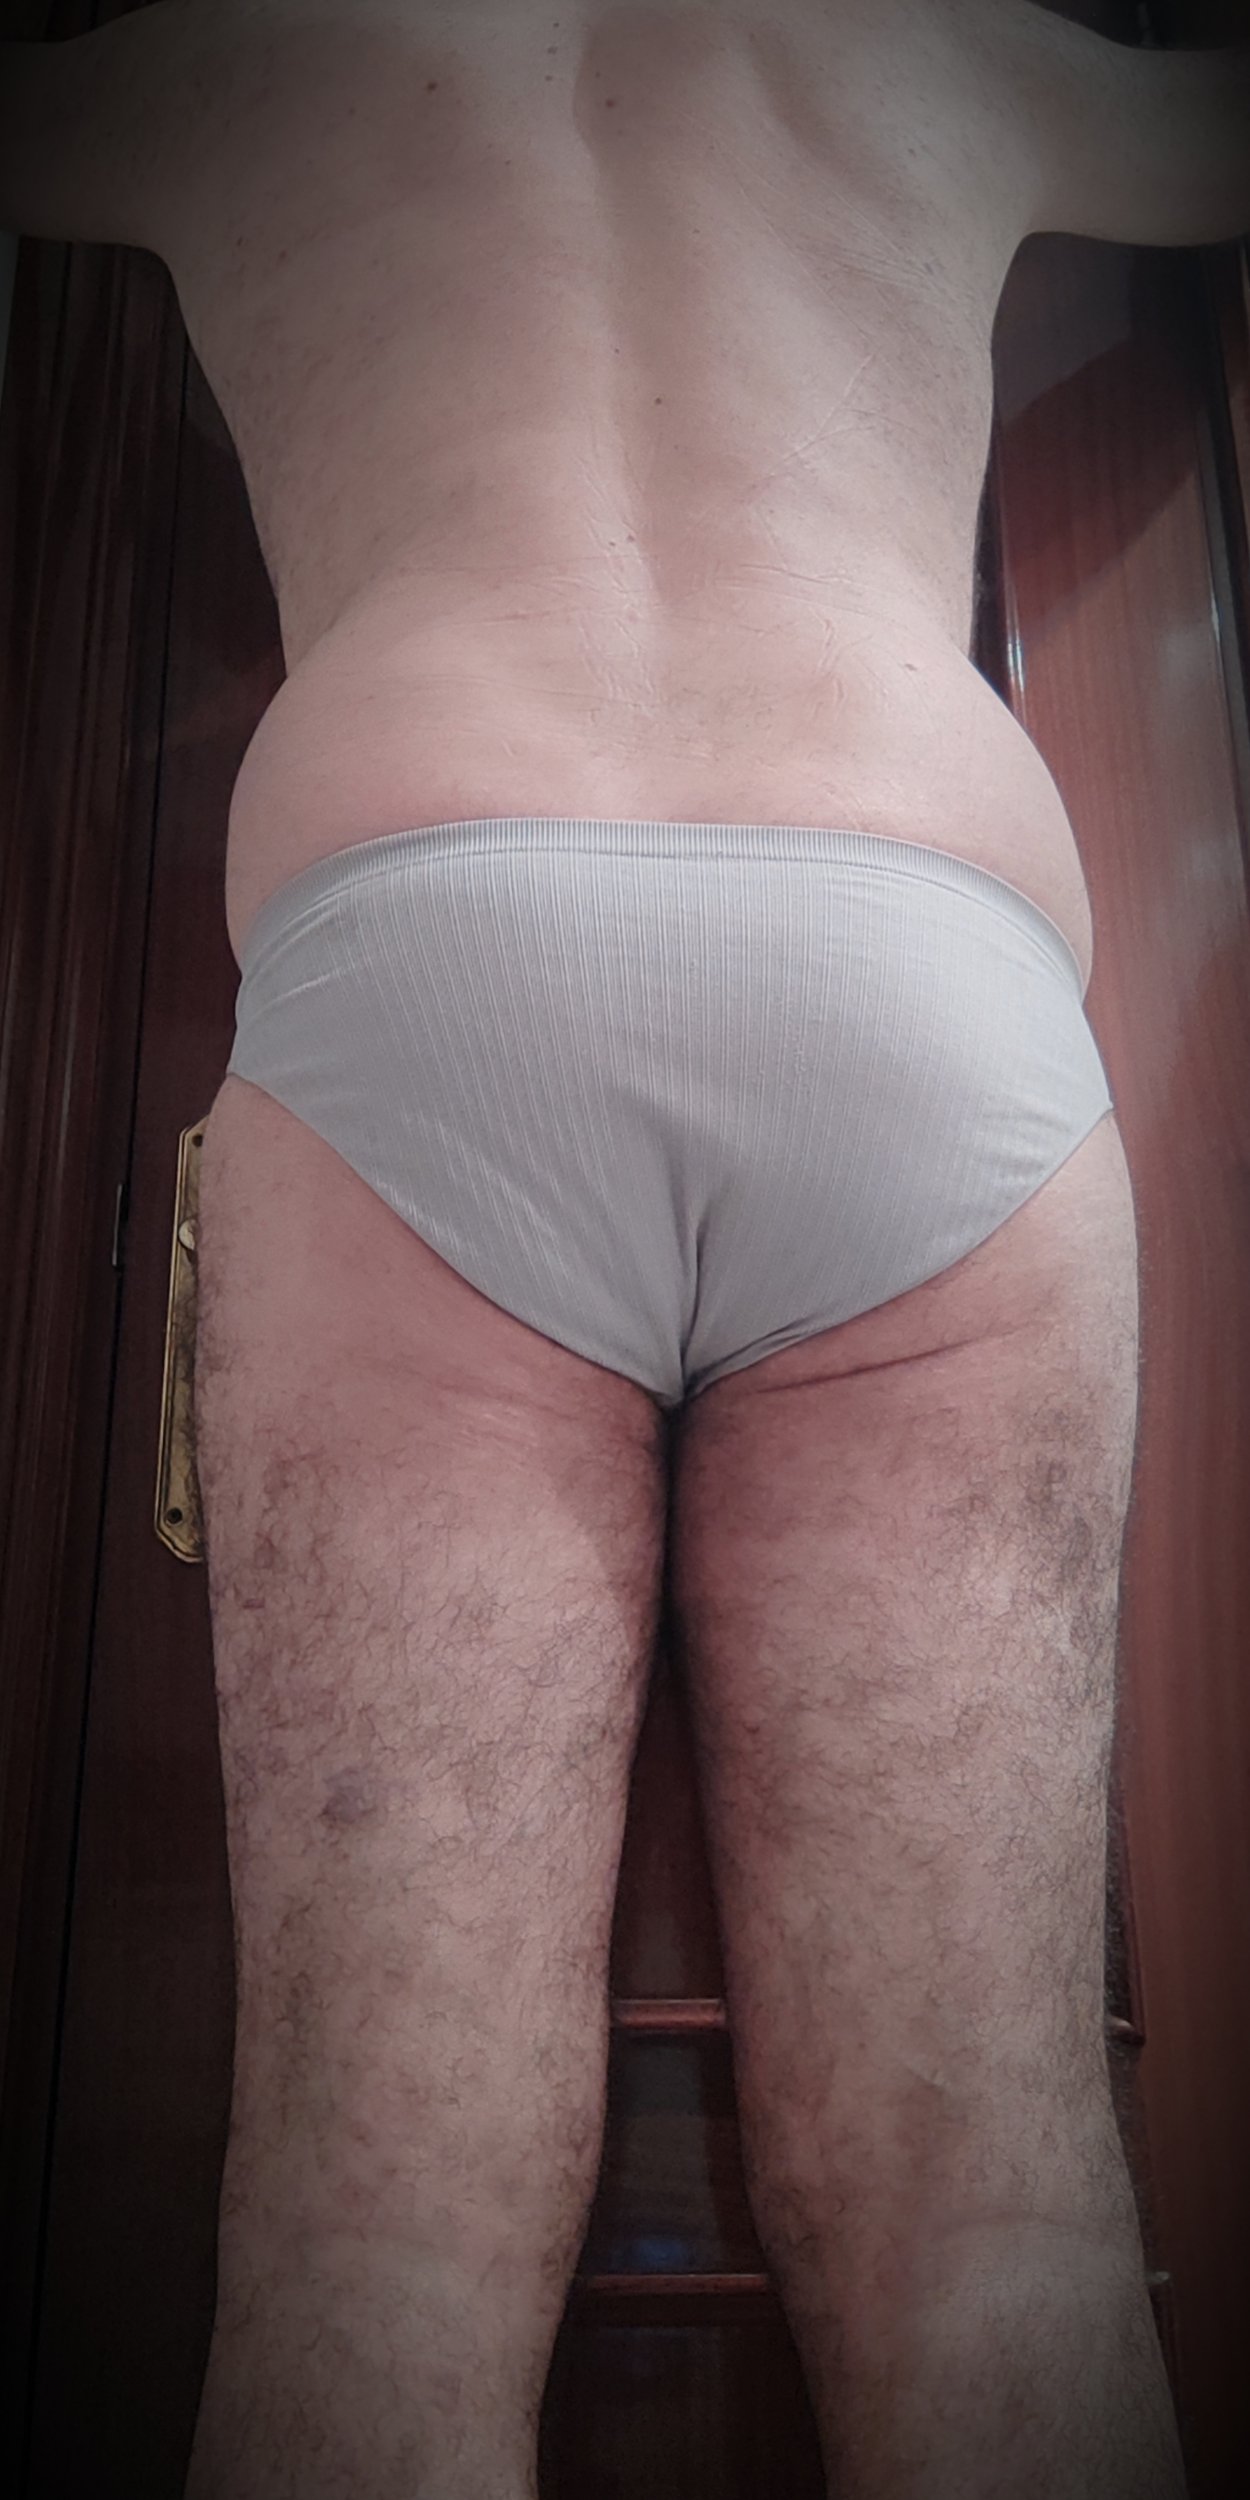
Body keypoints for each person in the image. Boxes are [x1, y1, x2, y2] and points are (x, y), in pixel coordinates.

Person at [3, 3, 1247, 2493]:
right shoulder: (949, 51)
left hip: (427, 920)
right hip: (912, 928)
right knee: (997, 2211)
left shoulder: (245, 59)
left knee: (366, 2233)